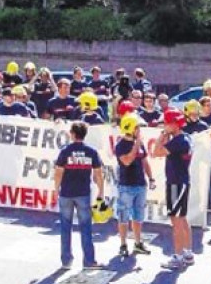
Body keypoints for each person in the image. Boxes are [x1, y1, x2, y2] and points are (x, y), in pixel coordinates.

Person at [53, 122, 106, 270]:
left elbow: (58, 173)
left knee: (65, 227)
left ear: (72, 134)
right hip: (83, 193)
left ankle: (66, 261)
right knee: (86, 227)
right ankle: (89, 261)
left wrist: (56, 189)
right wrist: (101, 192)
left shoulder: (65, 151)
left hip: (66, 193)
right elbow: (98, 174)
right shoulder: (91, 151)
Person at [153, 108, 195, 270]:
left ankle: (177, 256)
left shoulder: (177, 141)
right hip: (181, 180)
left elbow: (156, 152)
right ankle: (188, 253)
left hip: (176, 182)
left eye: (166, 123)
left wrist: (162, 136)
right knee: (182, 218)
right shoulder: (186, 138)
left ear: (174, 124)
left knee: (176, 220)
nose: (164, 125)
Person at [115, 113, 155, 257]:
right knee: (124, 216)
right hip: (126, 185)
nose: (140, 130)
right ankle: (123, 244)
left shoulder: (140, 144)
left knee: (138, 216)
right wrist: (136, 145)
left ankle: (138, 243)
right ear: (131, 128)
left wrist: (151, 178)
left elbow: (145, 161)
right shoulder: (120, 145)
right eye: (138, 127)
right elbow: (127, 161)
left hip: (140, 184)